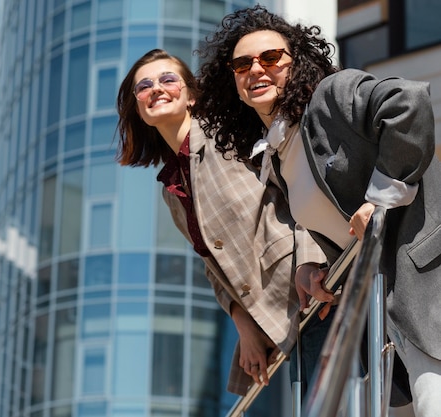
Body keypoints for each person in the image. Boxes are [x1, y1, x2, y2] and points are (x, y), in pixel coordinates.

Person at [194, 5, 441, 415]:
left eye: (271, 58)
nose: (256, 69)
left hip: (427, 282)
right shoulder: (275, 154)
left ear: (296, 64)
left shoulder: (332, 96)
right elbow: (337, 221)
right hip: (389, 310)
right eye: (241, 65)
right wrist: (316, 266)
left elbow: (408, 103)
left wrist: (379, 198)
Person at [115, 48, 328, 397]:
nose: (156, 88)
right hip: (276, 323)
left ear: (192, 96)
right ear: (137, 107)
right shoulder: (171, 187)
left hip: (316, 289)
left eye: (168, 79)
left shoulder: (225, 135)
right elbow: (212, 262)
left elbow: (297, 188)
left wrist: (311, 260)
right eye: (144, 86)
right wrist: (242, 323)